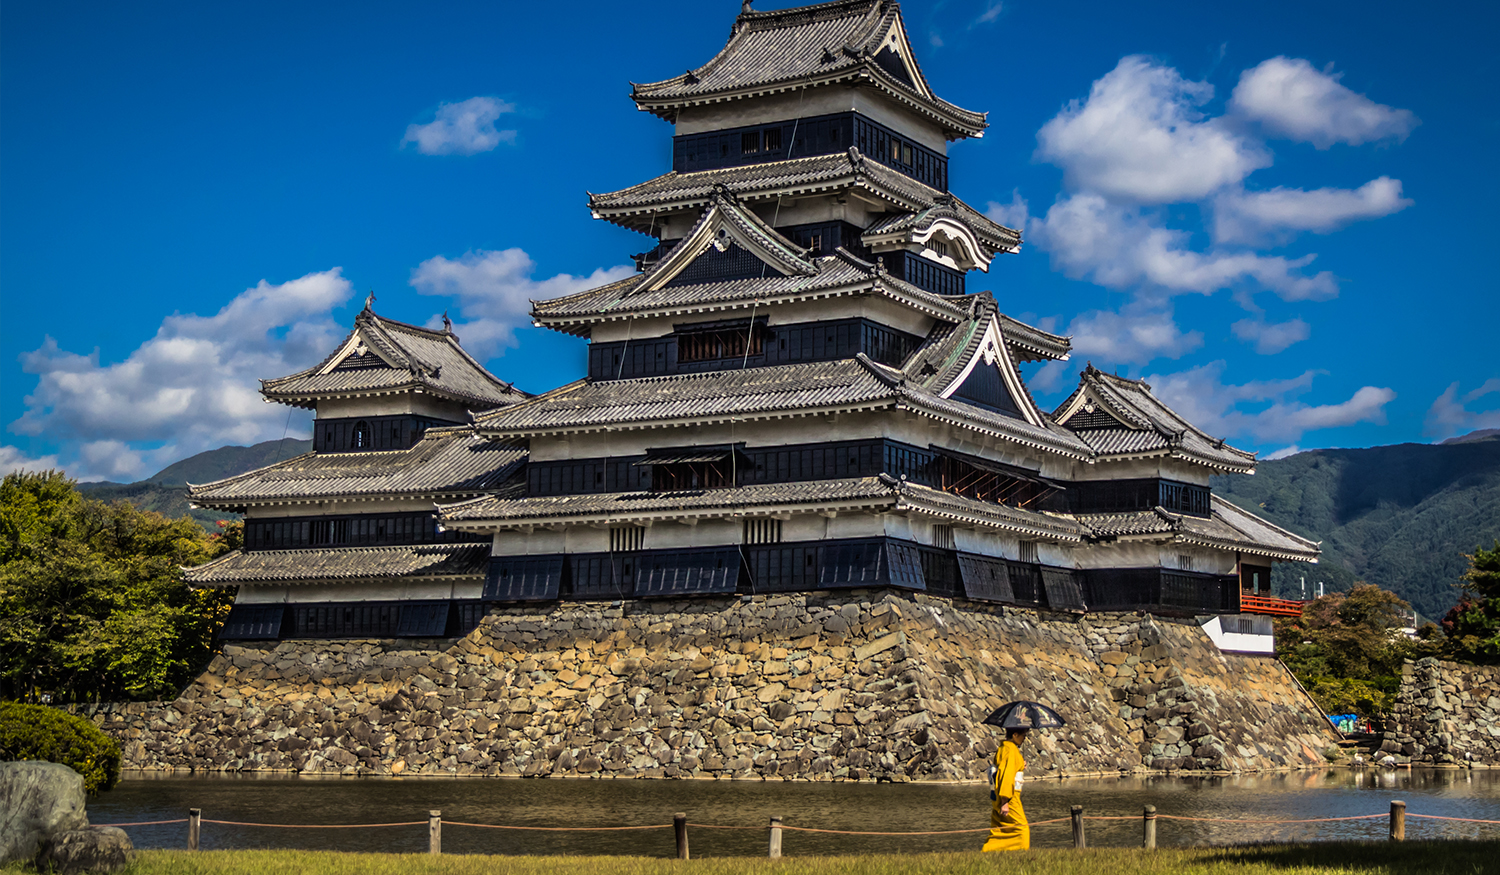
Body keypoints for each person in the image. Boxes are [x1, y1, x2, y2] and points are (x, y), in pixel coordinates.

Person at [982, 727, 1029, 852]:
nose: (1024, 738)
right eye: (1023, 735)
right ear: (1015, 734)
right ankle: (1021, 853)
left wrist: (1020, 764)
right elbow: (1007, 775)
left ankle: (989, 851)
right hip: (1009, 797)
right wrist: (1005, 801)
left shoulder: (1004, 748)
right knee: (1022, 829)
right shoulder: (1011, 750)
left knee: (999, 827)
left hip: (998, 794)